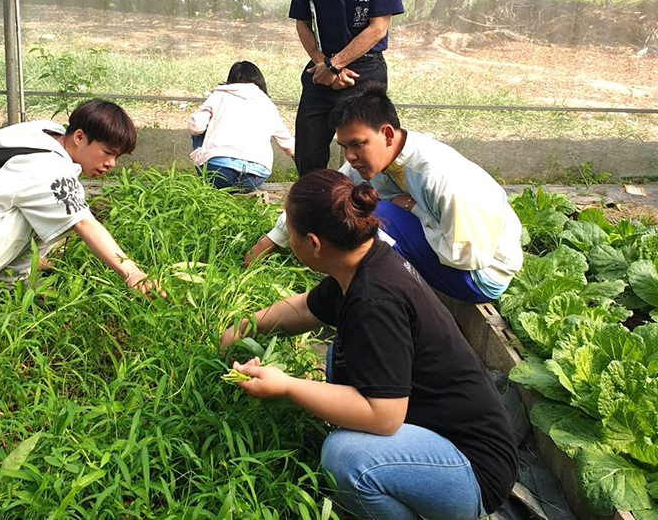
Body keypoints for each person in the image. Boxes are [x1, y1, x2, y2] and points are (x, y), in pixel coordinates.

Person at [221, 170, 518, 519]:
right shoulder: (364, 259)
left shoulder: (374, 299)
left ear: (314, 244)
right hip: (437, 435)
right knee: (341, 353)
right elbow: (306, 308)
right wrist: (245, 327)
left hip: (471, 471)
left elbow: (385, 417)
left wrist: (287, 386)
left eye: (292, 235)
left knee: (346, 456)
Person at [245, 84, 523, 303]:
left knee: (375, 216)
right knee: (349, 203)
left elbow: (467, 258)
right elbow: (323, 197)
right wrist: (270, 241)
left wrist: (413, 209)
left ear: (388, 134)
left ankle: (361, 302)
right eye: (343, 146)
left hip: (481, 276)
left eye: (357, 144)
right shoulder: (374, 160)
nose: (350, 156)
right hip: (454, 255)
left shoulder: (441, 178)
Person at [0, 99, 162, 297]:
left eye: (117, 156)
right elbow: (84, 223)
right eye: (107, 153)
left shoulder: (47, 136)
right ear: (79, 137)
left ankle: (12, 278)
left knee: (61, 206)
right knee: (68, 213)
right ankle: (6, 291)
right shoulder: (47, 167)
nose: (111, 164)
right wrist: (132, 272)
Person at [290, 0, 404, 176]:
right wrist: (323, 64)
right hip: (322, 68)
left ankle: (374, 206)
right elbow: (302, 23)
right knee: (308, 150)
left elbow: (378, 28)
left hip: (364, 70)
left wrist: (335, 65)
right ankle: (315, 208)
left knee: (372, 151)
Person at [189, 61, 295, 193]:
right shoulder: (267, 103)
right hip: (254, 176)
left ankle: (207, 175)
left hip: (219, 173)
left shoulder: (219, 95)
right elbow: (288, 143)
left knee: (199, 133)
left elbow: (196, 127)